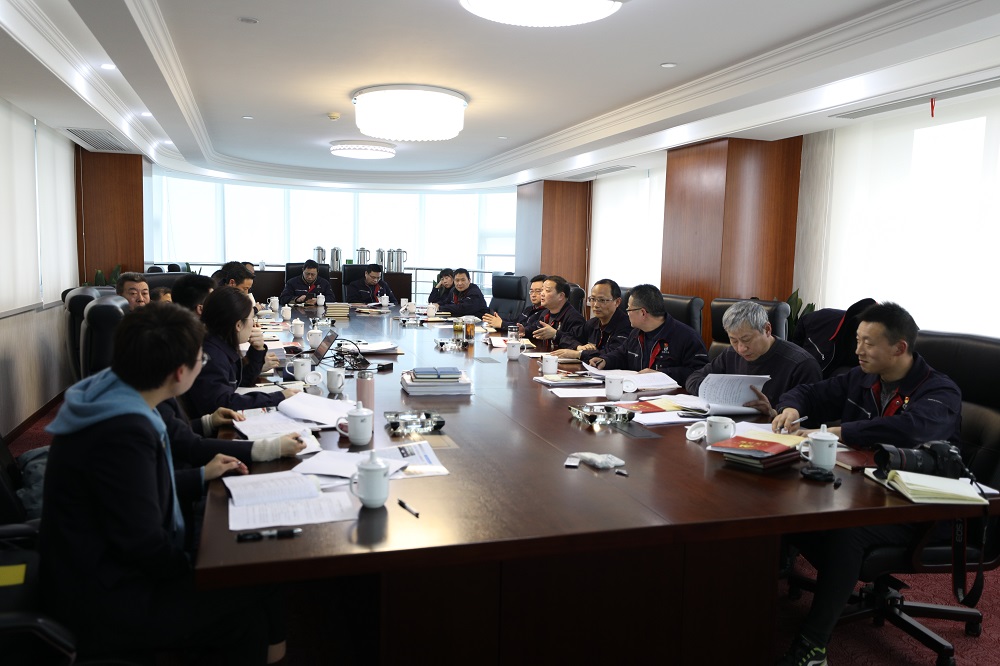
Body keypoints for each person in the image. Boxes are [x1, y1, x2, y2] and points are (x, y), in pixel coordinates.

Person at [40, 302, 282, 664]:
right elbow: (144, 543)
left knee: (248, 569)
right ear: (180, 373)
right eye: (201, 359)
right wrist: (199, 570)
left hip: (99, 566)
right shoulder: (124, 431)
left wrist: (203, 475)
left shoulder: (116, 392)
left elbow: (140, 495)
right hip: (105, 596)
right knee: (256, 587)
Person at [771, 302, 962, 666]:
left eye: (868, 343)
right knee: (787, 505)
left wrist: (841, 431)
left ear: (899, 348)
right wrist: (791, 407)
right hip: (869, 491)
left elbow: (911, 429)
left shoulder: (939, 391)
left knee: (848, 531)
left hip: (924, 507)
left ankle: (812, 647)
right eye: (857, 340)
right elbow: (810, 392)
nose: (857, 349)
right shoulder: (862, 377)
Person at [685, 300, 821, 414]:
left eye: (747, 340)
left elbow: (811, 419)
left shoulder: (801, 364)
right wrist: (719, 393)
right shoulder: (731, 354)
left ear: (767, 330)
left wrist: (773, 412)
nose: (741, 349)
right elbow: (693, 378)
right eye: (734, 340)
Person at [185, 287, 296, 416]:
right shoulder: (211, 357)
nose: (254, 324)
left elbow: (242, 379)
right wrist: (277, 398)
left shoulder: (220, 343)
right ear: (238, 325)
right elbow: (222, 404)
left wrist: (257, 350)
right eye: (252, 318)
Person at [590, 283, 708, 384]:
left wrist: (660, 374)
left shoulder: (687, 337)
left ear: (643, 313)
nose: (627, 313)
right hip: (638, 392)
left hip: (670, 398)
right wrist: (605, 360)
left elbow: (700, 372)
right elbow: (622, 354)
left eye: (629, 309)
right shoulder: (636, 333)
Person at [550, 279, 630, 362]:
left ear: (617, 302)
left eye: (602, 300)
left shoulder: (626, 326)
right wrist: (578, 347)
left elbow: (613, 354)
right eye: (593, 299)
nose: (596, 305)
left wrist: (579, 354)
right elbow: (567, 337)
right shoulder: (593, 323)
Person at [523, 275, 586, 351]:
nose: (542, 294)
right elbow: (536, 329)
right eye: (542, 290)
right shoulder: (545, 313)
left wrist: (555, 334)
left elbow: (577, 344)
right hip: (546, 354)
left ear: (561, 296)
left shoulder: (574, 318)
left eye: (547, 291)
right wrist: (524, 331)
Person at [482, 273, 547, 333]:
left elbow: (528, 330)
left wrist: (502, 324)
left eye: (538, 291)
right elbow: (515, 322)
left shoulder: (545, 313)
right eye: (531, 291)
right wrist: (496, 320)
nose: (533, 295)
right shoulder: (529, 309)